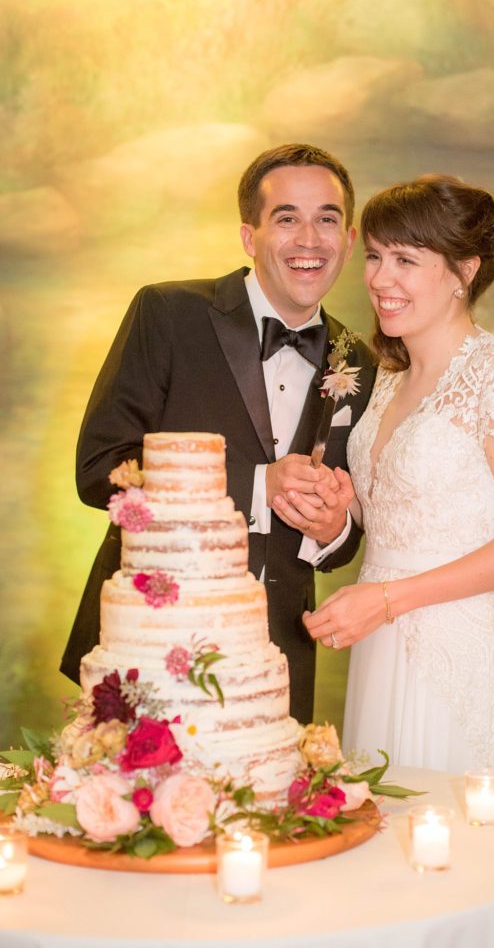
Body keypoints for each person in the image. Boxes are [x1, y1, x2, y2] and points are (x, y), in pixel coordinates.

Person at [60, 143, 376, 724]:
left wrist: (334, 529)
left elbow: (347, 531)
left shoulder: (360, 360)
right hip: (152, 651)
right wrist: (257, 485)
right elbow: (100, 468)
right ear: (249, 236)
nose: (310, 239)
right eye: (287, 218)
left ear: (349, 241)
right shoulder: (168, 313)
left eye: (327, 219)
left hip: (276, 666)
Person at [296, 174, 494, 797]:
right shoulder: (388, 377)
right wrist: (338, 509)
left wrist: (390, 599)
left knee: (460, 832)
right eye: (377, 257)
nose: (382, 279)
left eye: (407, 261)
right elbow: (390, 505)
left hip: (460, 651)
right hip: (381, 642)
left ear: (463, 270)